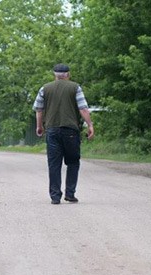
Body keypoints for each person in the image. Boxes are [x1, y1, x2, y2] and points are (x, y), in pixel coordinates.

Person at [33, 63, 95, 205]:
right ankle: (70, 194)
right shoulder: (75, 87)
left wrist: (39, 126)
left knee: (54, 163)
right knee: (73, 162)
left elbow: (39, 109)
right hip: (71, 131)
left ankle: (55, 196)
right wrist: (90, 125)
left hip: (52, 130)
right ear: (68, 74)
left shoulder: (45, 88)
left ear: (54, 74)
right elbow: (83, 108)